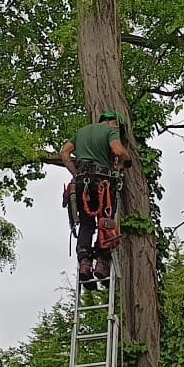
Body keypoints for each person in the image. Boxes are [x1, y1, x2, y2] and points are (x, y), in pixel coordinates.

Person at [58, 109, 131, 289]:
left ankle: (84, 264)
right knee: (105, 221)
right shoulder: (111, 130)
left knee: (87, 224)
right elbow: (118, 150)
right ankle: (101, 262)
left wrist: (75, 173)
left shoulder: (81, 132)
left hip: (81, 183)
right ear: (114, 122)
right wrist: (125, 160)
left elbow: (64, 153)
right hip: (102, 182)